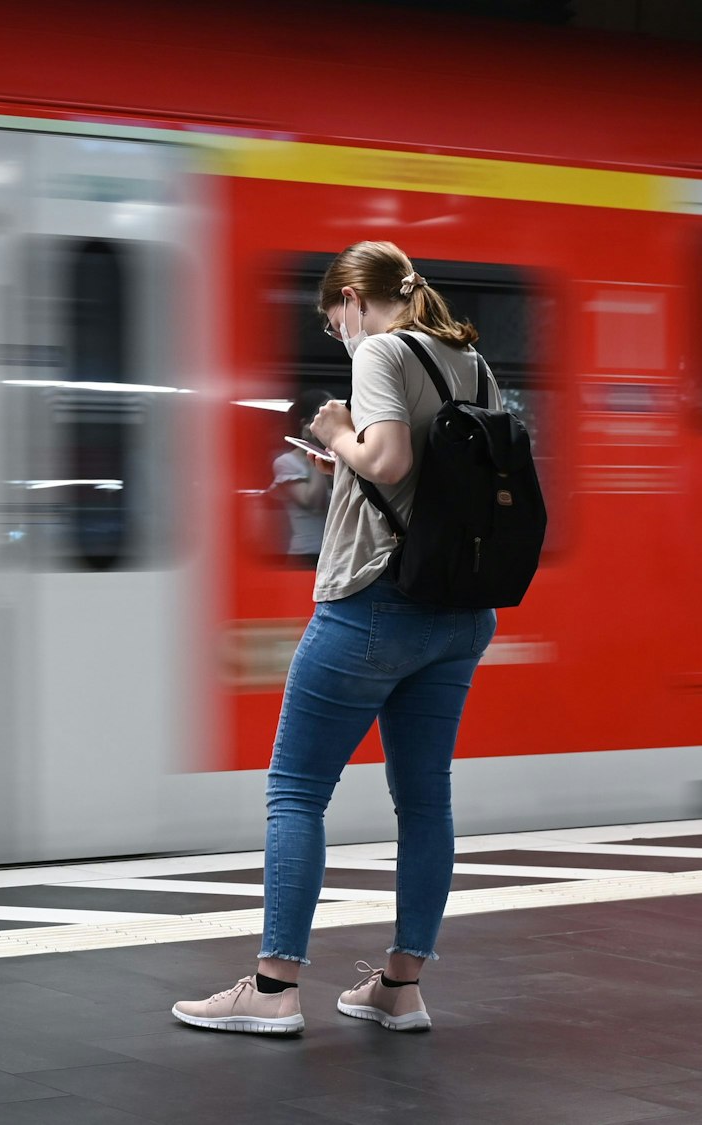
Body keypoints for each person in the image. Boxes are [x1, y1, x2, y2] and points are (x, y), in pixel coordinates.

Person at [174, 241, 500, 1035]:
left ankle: (274, 986)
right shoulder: (472, 362)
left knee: (296, 790)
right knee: (425, 799)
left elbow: (386, 460)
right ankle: (400, 984)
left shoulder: (382, 350)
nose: (338, 335)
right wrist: (350, 455)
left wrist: (339, 427)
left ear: (354, 296)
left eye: (334, 320)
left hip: (373, 606)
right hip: (458, 615)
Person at [271, 390, 334, 567]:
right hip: (306, 556)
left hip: (334, 555)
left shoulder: (335, 457)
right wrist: (313, 449)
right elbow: (313, 502)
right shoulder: (285, 462)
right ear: (305, 424)